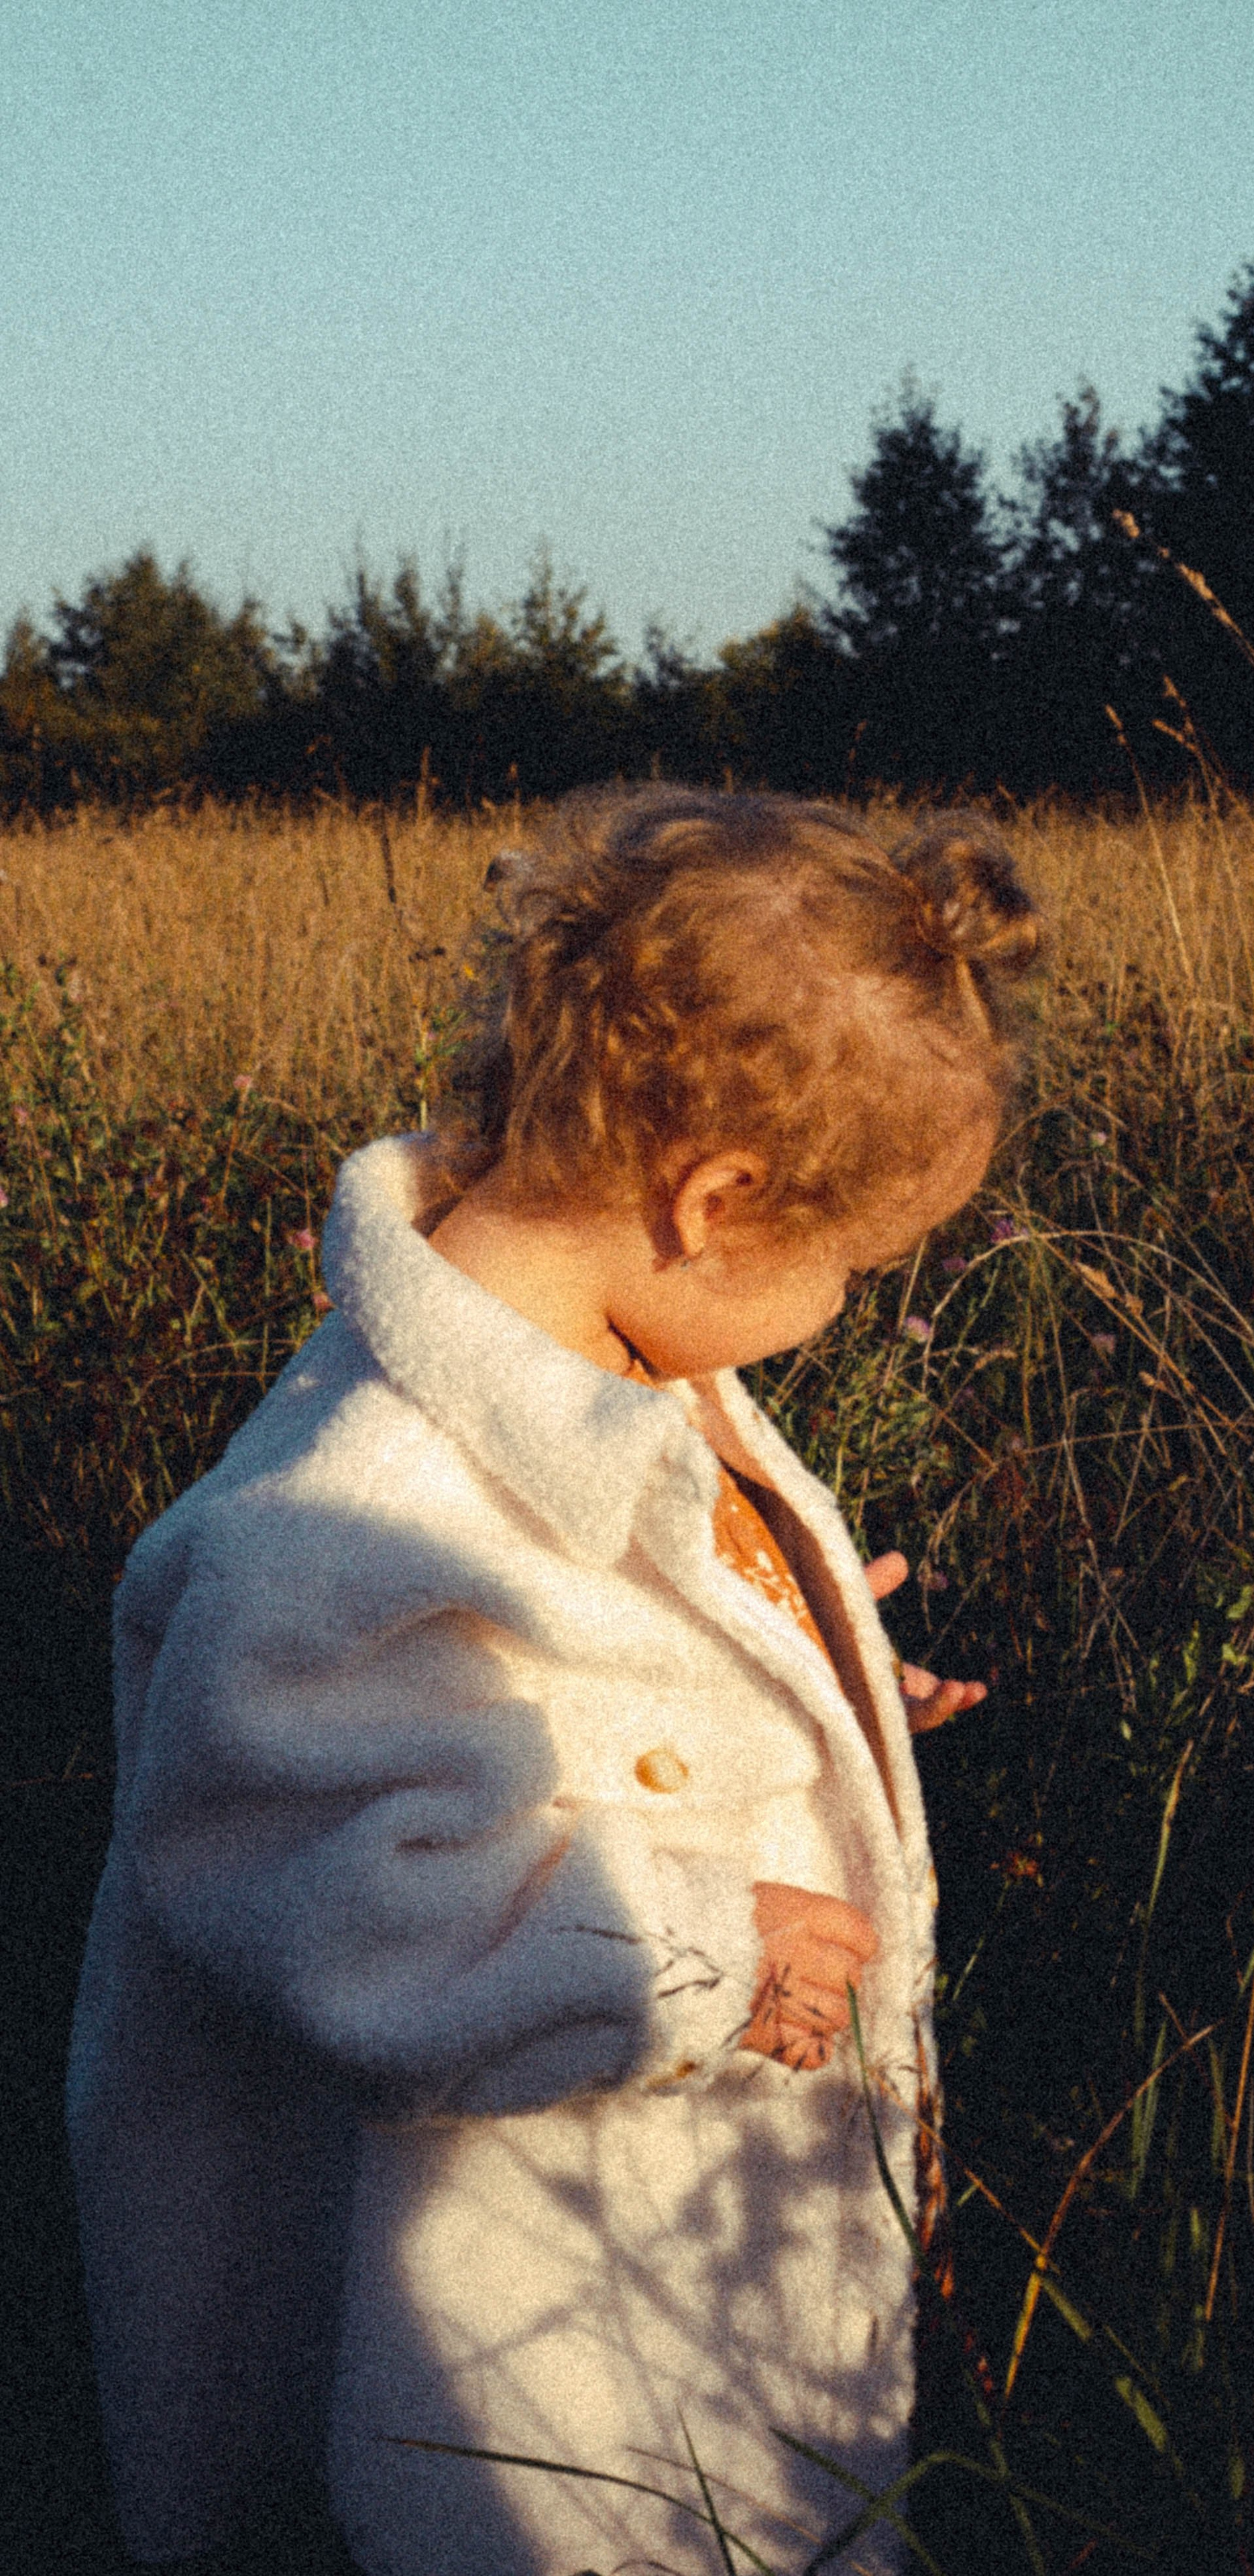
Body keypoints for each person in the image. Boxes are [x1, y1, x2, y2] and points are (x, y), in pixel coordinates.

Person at [67, 787, 1041, 2576]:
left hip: (685, 2273)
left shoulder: (609, 1361)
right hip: (516, 2379)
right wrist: (688, 1944)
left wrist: (808, 1672)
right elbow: (323, 1916)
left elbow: (623, 1669)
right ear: (718, 1200)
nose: (841, 1302)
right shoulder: (345, 1522)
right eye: (854, 1266)